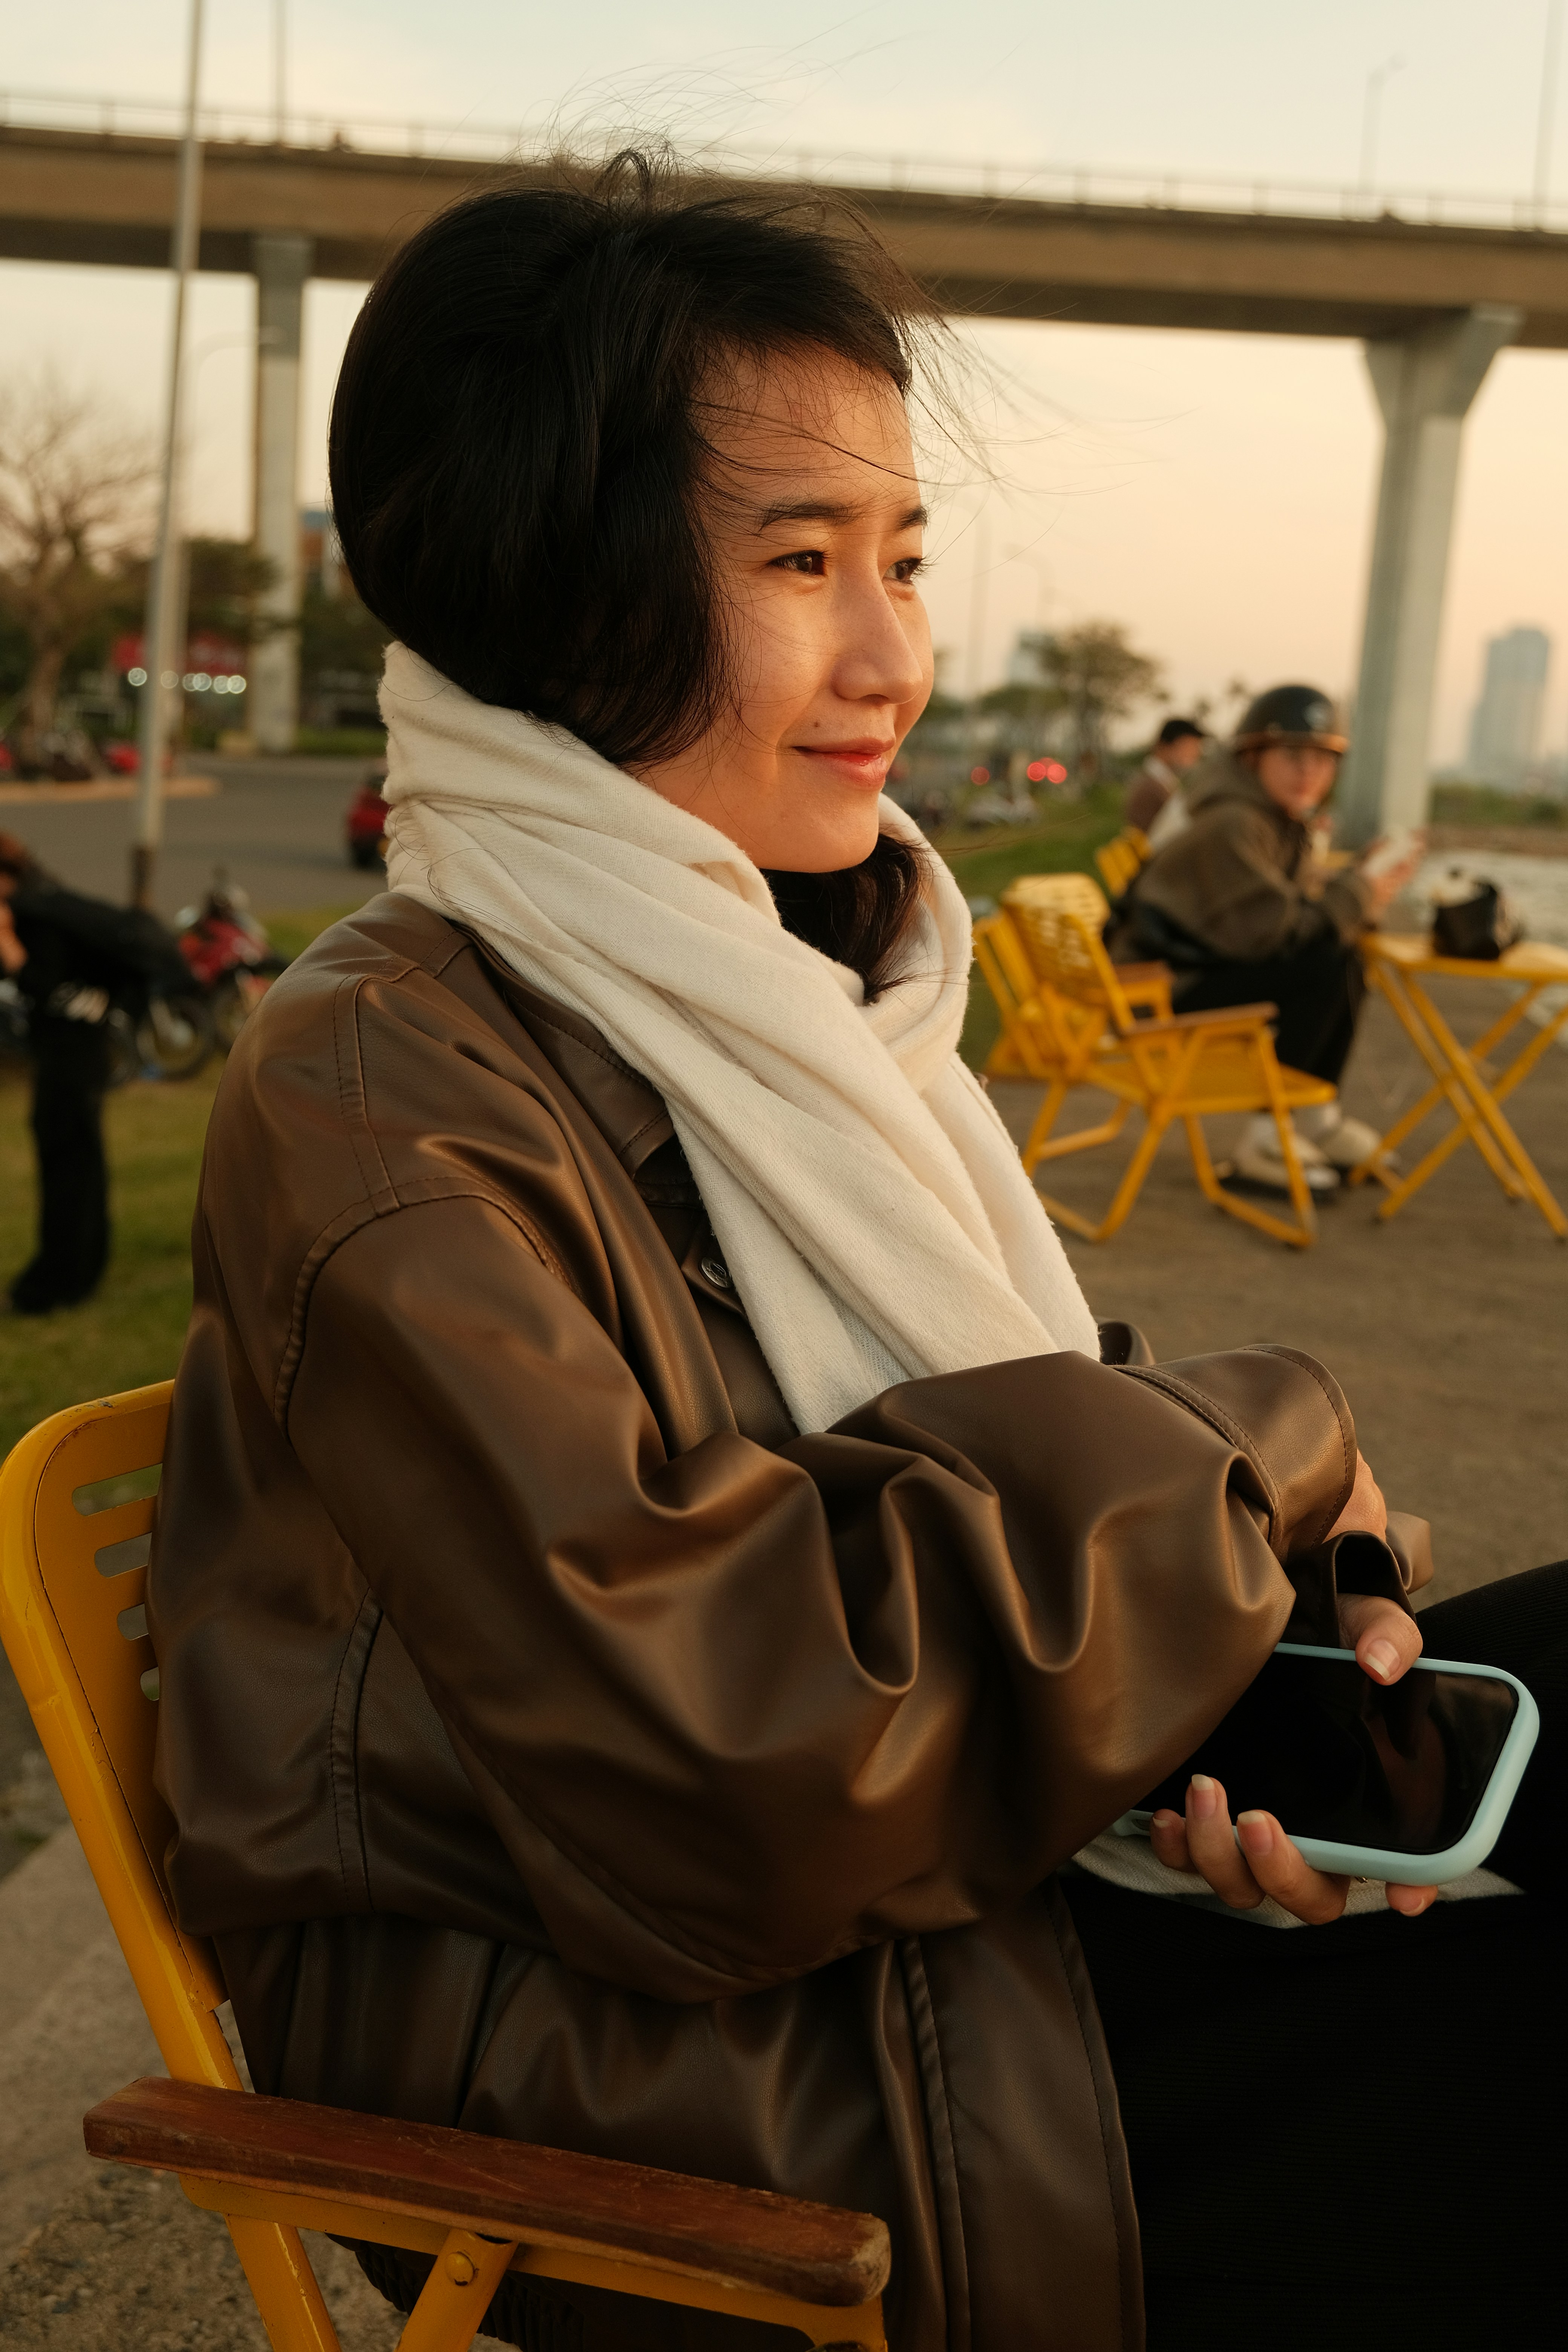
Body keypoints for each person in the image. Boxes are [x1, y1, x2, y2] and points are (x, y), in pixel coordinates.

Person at [145, 167, 1563, 2352]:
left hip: (946, 1913)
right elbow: (720, 1765)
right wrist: (1258, 1451)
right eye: (797, 563)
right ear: (553, 585)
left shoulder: (789, 983)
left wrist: (1228, 1690)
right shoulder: (383, 1085)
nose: (892, 655)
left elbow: (1019, 1436)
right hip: (673, 2070)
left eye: (898, 559)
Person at [1107, 686, 1423, 1193]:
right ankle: (1267, 1136)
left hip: (1188, 972)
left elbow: (1294, 914)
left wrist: (1362, 894)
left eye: (1324, 760)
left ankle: (1313, 1116)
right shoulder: (1234, 822)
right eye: (1294, 757)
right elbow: (1284, 934)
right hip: (1156, 993)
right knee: (1322, 961)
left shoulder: (1270, 819)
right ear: (1253, 757)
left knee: (1340, 956)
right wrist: (1360, 890)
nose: (1310, 773)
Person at [0, 834, 185, 1314]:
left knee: (68, 1166)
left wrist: (8, 946)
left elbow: (53, 993)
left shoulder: (38, 919)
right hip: (79, 1057)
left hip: (71, 1060)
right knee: (81, 1162)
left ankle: (59, 1282)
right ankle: (81, 1268)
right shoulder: (49, 905)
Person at [1122, 716, 1207, 838]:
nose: (1196, 754)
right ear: (1166, 746)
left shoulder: (1160, 782)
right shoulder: (1151, 788)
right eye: (1190, 747)